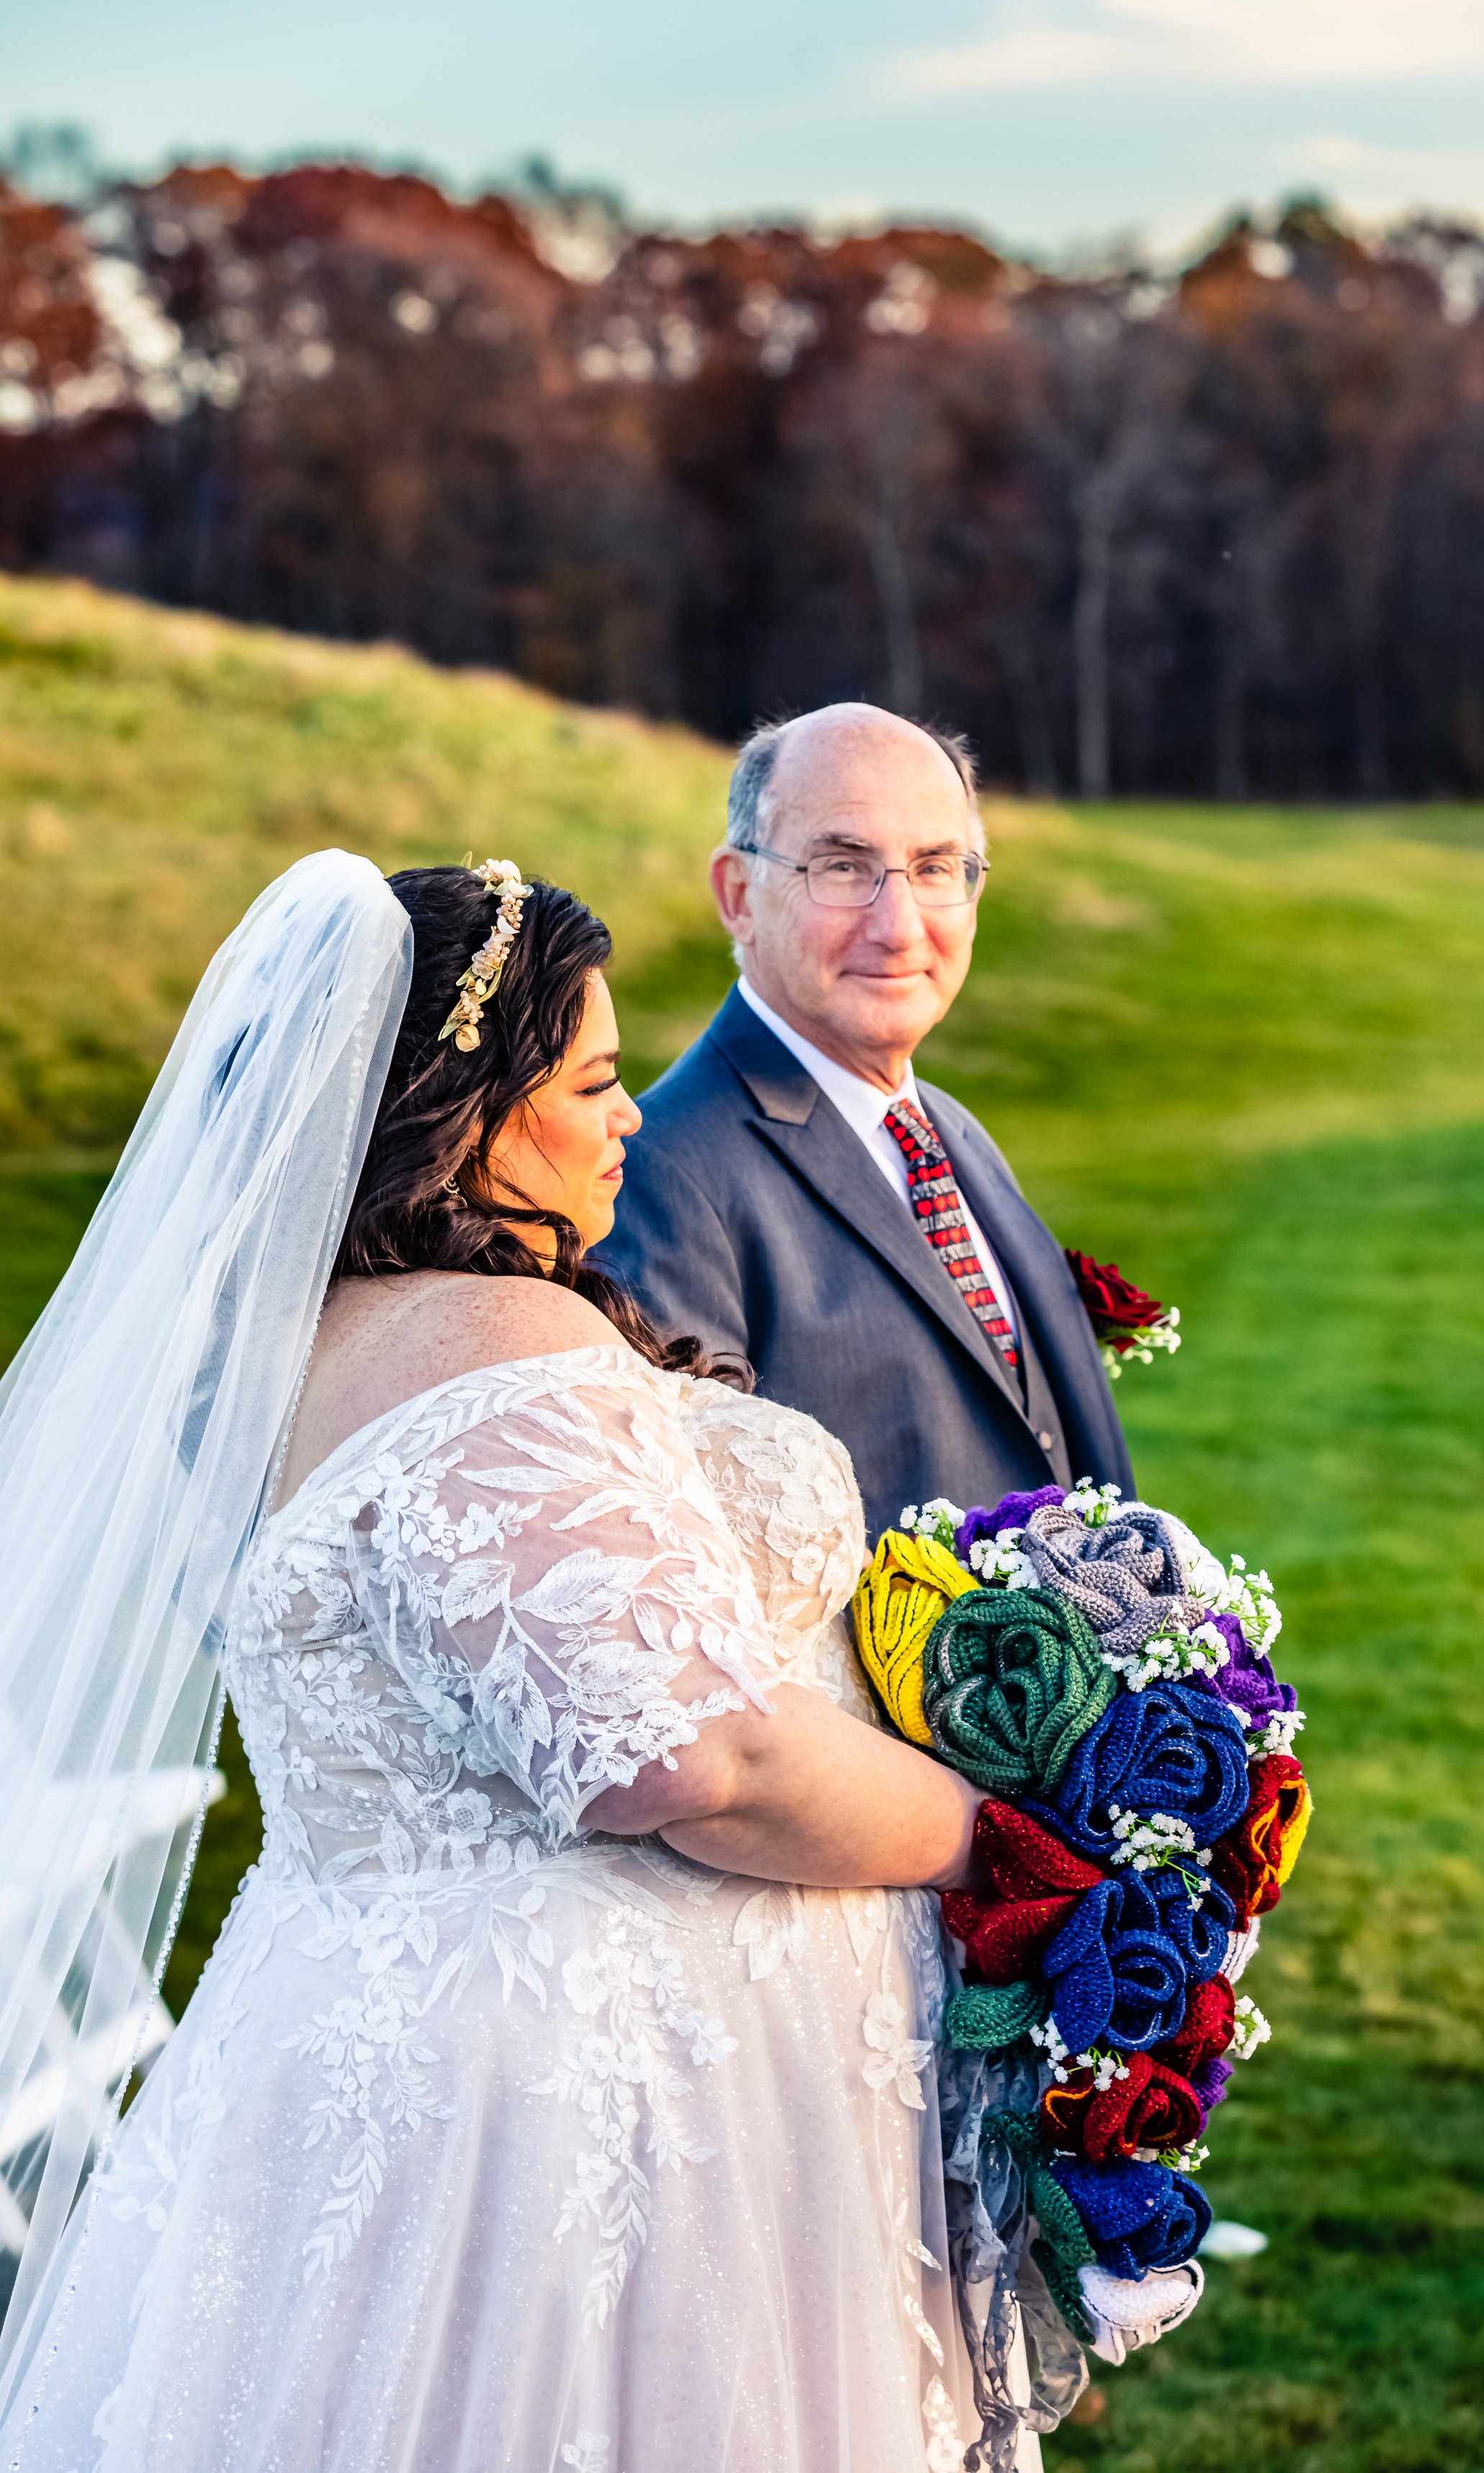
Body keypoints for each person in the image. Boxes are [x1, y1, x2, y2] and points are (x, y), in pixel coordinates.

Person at [0, 851, 987, 2473]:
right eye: (592, 1082)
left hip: (374, 2053)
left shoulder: (310, 1348)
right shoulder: (489, 1345)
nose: (631, 1119)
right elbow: (693, 1759)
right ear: (461, 1118)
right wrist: (997, 1838)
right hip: (582, 2125)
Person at [595, 707, 1134, 1536]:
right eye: (843, 868)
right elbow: (691, 1556)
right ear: (737, 894)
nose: (899, 927)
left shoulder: (952, 1131)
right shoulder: (661, 1179)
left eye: (935, 867)